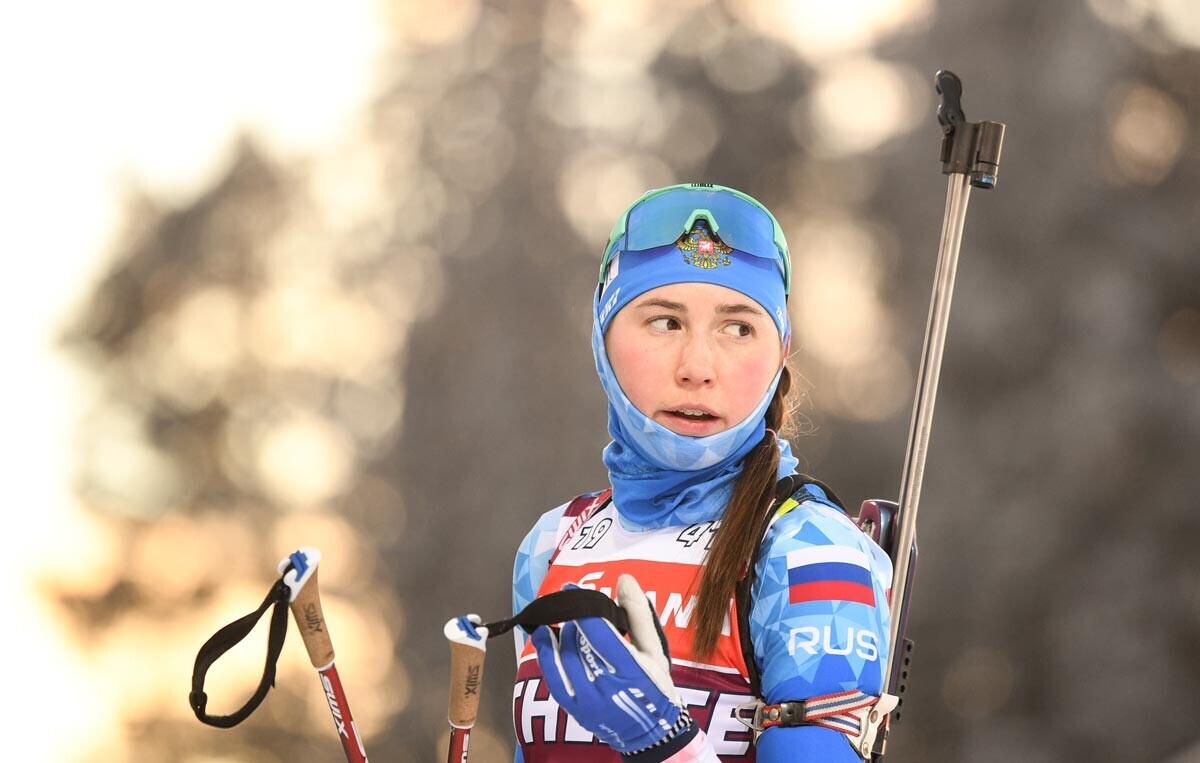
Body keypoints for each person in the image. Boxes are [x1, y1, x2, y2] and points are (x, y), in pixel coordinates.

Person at [511, 184, 893, 762]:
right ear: (603, 337)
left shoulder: (811, 551)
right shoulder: (551, 542)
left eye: (738, 328)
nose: (697, 368)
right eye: (664, 322)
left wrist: (668, 746)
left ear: (782, 350)